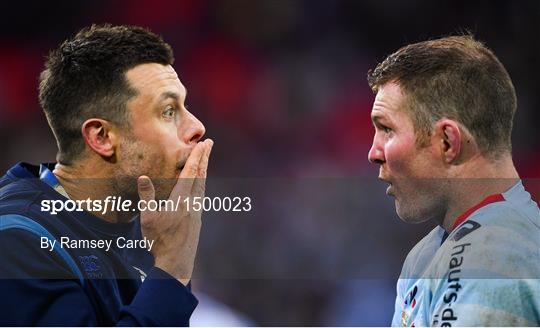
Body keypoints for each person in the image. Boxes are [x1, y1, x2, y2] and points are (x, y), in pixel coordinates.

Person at [0, 24, 213, 325]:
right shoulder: (17, 243)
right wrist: (171, 270)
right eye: (168, 111)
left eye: (184, 106)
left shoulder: (145, 230)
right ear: (101, 137)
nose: (196, 127)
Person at [367, 35, 540, 326]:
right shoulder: (426, 255)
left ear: (448, 141)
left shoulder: (493, 254)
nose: (373, 152)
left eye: (387, 129)